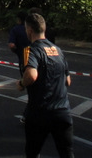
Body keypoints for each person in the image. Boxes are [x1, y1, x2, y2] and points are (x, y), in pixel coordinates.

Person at [17, 12, 73, 158]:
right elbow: (68, 81)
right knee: (66, 153)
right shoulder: (58, 50)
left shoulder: (33, 49)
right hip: (62, 111)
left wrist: (22, 83)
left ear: (29, 30)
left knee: (33, 152)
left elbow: (32, 75)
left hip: (40, 111)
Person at [8, 11, 30, 75]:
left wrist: (16, 50)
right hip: (36, 55)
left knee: (25, 76)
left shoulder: (16, 29)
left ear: (19, 19)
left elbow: (11, 45)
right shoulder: (32, 28)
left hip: (23, 56)